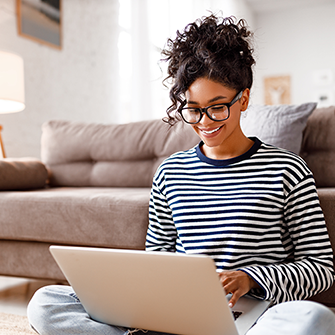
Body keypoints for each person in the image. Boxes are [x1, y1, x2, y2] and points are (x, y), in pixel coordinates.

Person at [27, 14, 335, 335]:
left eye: (218, 106)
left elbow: (320, 268)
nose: (204, 121)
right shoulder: (170, 172)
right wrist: (145, 300)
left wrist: (250, 278)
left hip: (253, 315)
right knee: (46, 302)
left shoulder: (288, 168)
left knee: (315, 320)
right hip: (178, 315)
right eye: (193, 108)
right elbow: (157, 257)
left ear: (243, 99)